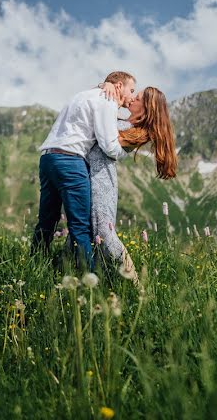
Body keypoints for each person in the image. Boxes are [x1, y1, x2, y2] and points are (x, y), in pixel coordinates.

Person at [31, 71, 136, 270]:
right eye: (131, 90)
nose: (132, 96)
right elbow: (109, 146)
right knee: (81, 226)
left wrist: (102, 84)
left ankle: (34, 266)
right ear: (119, 85)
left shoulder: (84, 94)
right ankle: (89, 282)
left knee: (47, 220)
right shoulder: (107, 99)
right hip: (70, 161)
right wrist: (124, 153)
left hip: (47, 159)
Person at [80, 86, 177, 284]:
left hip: (102, 181)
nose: (132, 98)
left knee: (104, 232)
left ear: (147, 106)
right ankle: (85, 275)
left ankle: (135, 284)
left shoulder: (139, 132)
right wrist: (105, 86)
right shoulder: (124, 123)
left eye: (138, 97)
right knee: (83, 228)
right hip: (89, 175)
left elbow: (105, 137)